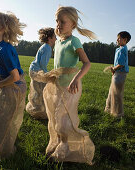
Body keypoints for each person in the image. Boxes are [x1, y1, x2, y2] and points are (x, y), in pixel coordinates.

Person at [42, 6, 96, 164]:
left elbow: (87, 63)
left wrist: (76, 79)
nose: (58, 24)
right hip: (59, 87)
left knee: (65, 120)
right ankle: (60, 142)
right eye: (56, 21)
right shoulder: (58, 42)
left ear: (73, 24)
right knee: (57, 117)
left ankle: (64, 145)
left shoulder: (74, 41)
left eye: (62, 21)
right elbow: (59, 66)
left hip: (72, 88)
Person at [0, 12, 27, 158]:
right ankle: (3, 141)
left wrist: (0, 84)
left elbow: (14, 76)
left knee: (2, 117)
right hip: (9, 85)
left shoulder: (4, 49)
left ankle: (2, 151)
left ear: (2, 28)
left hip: (13, 88)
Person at [26, 28, 56, 119]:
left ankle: (36, 110)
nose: (56, 39)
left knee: (38, 91)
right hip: (37, 72)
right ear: (49, 38)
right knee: (41, 92)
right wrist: (47, 75)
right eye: (55, 37)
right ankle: (39, 112)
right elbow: (43, 64)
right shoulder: (47, 48)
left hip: (34, 70)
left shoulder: (45, 46)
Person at [104, 31, 131, 118]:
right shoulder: (119, 49)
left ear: (125, 40)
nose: (117, 40)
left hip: (120, 74)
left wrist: (114, 68)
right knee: (111, 92)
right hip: (117, 73)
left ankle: (118, 114)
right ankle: (108, 109)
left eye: (119, 38)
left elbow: (121, 64)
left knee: (117, 94)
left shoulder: (123, 49)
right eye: (117, 38)